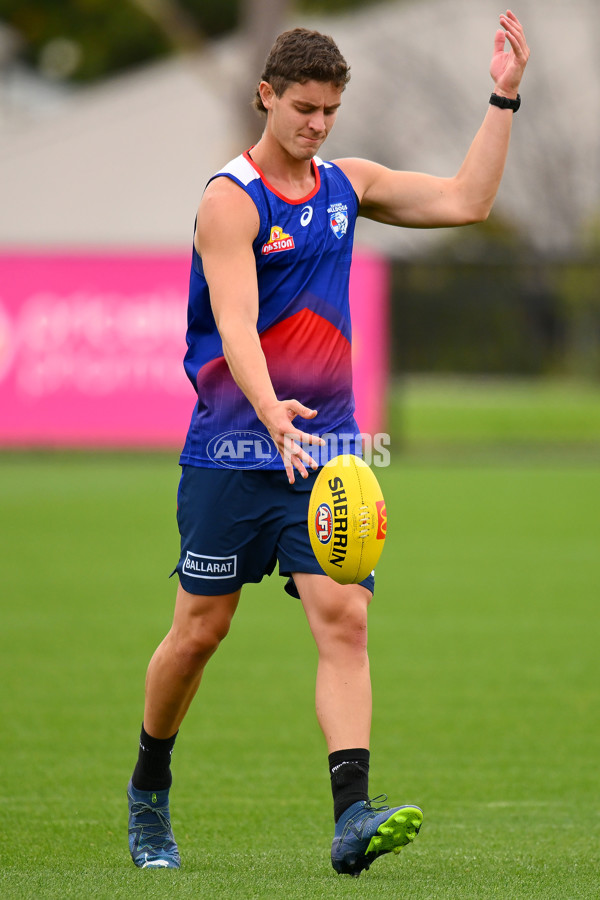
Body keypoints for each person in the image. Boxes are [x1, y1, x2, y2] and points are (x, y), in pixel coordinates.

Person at [127, 11, 529, 876]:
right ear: (266, 95)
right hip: (233, 453)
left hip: (329, 459)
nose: (316, 125)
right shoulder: (230, 201)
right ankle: (149, 790)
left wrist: (504, 96)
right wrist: (271, 412)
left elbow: (469, 201)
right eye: (303, 107)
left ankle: (352, 818)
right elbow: (235, 323)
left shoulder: (347, 185)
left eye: (330, 111)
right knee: (199, 634)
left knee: (345, 621)